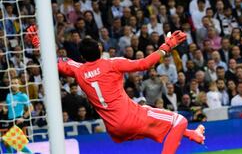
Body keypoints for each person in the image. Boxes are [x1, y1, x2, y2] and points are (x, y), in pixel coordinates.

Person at [26, 26, 205, 154]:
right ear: (100, 48)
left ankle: (193, 135)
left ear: (82, 56)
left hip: (115, 129)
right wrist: (167, 46)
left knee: (153, 116)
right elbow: (144, 64)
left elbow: (54, 60)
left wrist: (37, 42)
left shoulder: (78, 70)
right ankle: (188, 133)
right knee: (179, 121)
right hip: (131, 118)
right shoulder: (112, 63)